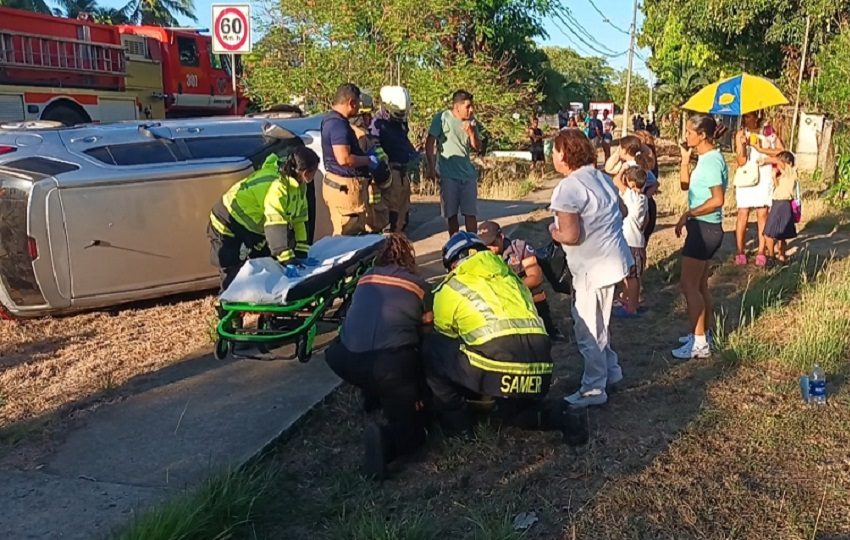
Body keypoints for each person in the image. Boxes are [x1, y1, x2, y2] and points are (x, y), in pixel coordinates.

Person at [423, 232, 580, 440]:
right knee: (516, 415)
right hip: (541, 369)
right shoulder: (511, 277)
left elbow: (448, 336)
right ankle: (560, 414)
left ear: (453, 264)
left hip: (496, 368)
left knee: (433, 348)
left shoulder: (451, 287)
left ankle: (459, 427)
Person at [324, 234, 431, 480]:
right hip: (389, 369)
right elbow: (427, 336)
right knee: (415, 433)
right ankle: (387, 441)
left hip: (343, 359)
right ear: (409, 257)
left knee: (373, 348)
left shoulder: (364, 279)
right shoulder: (418, 286)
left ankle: (371, 398)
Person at [549, 129, 632, 407]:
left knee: (587, 331)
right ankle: (613, 371)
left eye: (555, 150)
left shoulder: (569, 187)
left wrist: (554, 232)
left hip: (590, 269)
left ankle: (594, 389)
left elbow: (570, 235)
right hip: (614, 261)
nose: (552, 155)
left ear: (565, 154)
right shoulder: (601, 178)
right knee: (602, 324)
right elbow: (623, 211)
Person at [208, 146, 320, 291]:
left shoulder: (299, 186)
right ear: (305, 173)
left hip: (250, 225)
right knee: (232, 273)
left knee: (264, 267)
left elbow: (300, 219)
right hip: (227, 222)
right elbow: (275, 225)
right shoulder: (278, 186)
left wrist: (301, 252)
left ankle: (263, 311)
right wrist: (287, 259)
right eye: (314, 172)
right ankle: (226, 308)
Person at [673, 115, 728, 359]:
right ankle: (703, 334)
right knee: (700, 285)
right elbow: (686, 187)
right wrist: (685, 160)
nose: (686, 136)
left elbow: (718, 200)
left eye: (689, 132)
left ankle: (699, 344)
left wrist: (689, 213)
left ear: (702, 135)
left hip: (704, 229)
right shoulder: (703, 159)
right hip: (703, 228)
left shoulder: (712, 161)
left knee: (688, 286)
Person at [477, 220, 564, 340]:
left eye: (492, 243)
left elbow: (536, 277)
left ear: (501, 237)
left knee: (537, 293)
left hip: (520, 289)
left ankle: (548, 328)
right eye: (485, 244)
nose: (489, 248)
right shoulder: (480, 255)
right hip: (496, 295)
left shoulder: (519, 248)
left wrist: (511, 289)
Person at [321, 83, 383, 235]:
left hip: (341, 187)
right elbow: (344, 159)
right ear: (351, 103)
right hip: (345, 190)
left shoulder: (330, 120)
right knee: (349, 236)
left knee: (352, 233)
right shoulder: (338, 125)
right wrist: (368, 160)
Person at [425, 90, 482, 236]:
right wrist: (431, 167)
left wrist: (472, 133)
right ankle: (455, 243)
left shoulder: (472, 121)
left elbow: (478, 147)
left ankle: (474, 244)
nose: (471, 110)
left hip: (467, 175)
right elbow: (430, 142)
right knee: (451, 215)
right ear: (457, 107)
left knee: (470, 213)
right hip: (448, 175)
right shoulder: (442, 118)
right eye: (468, 107)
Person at [733, 110, 786, 267]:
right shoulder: (741, 134)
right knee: (743, 213)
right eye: (744, 116)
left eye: (749, 116)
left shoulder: (768, 131)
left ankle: (761, 251)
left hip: (763, 174)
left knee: (762, 213)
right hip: (746, 174)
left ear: (757, 117)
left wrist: (763, 151)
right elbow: (741, 161)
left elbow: (782, 151)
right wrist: (742, 145)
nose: (746, 119)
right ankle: (740, 251)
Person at [371, 85, 419, 233]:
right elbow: (374, 147)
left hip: (403, 172)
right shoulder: (378, 125)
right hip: (390, 172)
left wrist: (413, 154)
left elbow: (403, 140)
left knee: (402, 214)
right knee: (390, 213)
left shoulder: (400, 122)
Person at [349, 92, 391, 233]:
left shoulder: (349, 133)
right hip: (371, 197)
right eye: (368, 115)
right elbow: (377, 168)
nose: (371, 118)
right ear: (360, 116)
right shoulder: (363, 137)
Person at [612, 166, 648, 318]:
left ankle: (631, 307)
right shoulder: (643, 199)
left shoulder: (630, 195)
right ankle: (632, 302)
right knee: (635, 277)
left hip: (629, 241)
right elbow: (646, 220)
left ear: (631, 182)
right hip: (638, 241)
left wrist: (623, 168)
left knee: (631, 277)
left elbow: (615, 180)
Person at [760, 151, 799, 264]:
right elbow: (779, 187)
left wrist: (764, 160)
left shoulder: (789, 170)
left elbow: (777, 161)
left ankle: (772, 257)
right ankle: (781, 256)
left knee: (768, 233)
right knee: (782, 234)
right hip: (783, 203)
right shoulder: (787, 175)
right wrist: (774, 177)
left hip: (780, 203)